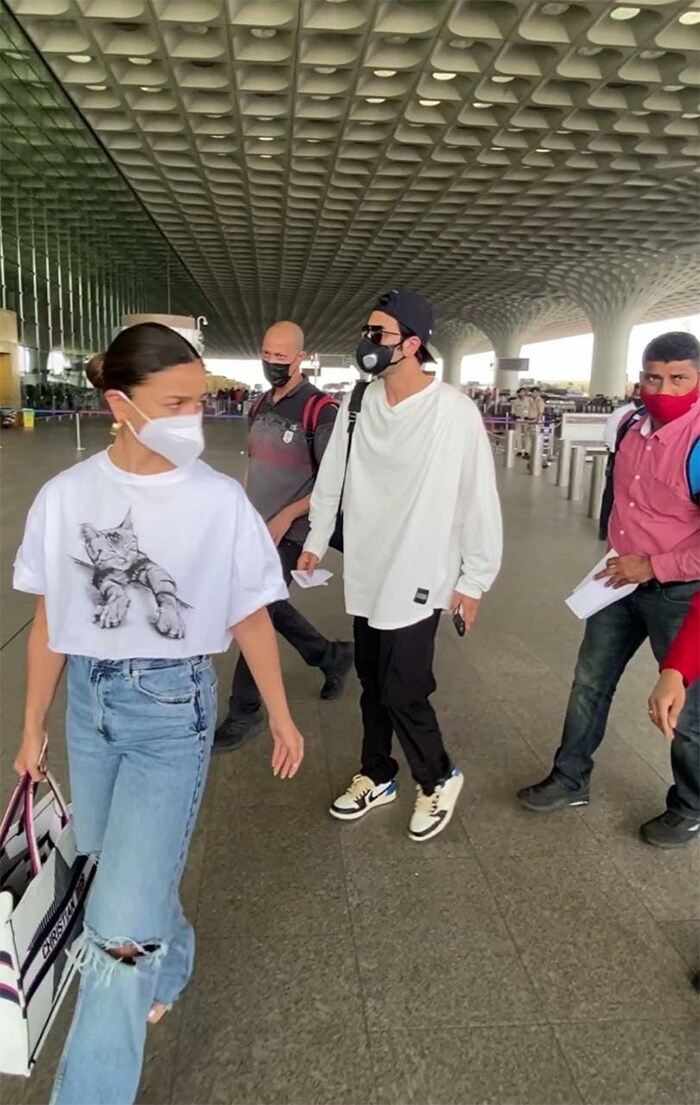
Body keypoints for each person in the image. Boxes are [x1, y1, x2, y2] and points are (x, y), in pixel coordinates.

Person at [12, 322, 304, 1105]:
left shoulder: (218, 500)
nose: (192, 417)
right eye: (173, 401)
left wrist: (279, 712)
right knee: (115, 868)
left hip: (171, 709)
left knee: (114, 935)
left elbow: (248, 614)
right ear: (119, 402)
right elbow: (49, 622)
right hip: (89, 706)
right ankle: (171, 963)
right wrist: (32, 724)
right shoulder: (65, 497)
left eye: (199, 400)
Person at [298, 289, 503, 841]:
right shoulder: (359, 403)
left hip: (421, 570)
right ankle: (377, 773)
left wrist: (474, 580)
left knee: (403, 688)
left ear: (412, 344)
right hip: (369, 564)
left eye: (380, 334)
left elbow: (477, 496)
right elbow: (332, 476)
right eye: (367, 331)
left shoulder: (453, 411)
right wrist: (316, 538)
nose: (368, 343)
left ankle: (438, 777)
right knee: (371, 679)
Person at [518, 331, 700, 849]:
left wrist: (656, 564)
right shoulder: (625, 425)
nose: (663, 388)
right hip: (619, 583)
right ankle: (569, 778)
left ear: (698, 380)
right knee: (589, 684)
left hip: (682, 594)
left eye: (679, 378)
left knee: (686, 710)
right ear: (639, 377)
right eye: (653, 377)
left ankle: (690, 805)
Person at [214, 320, 353, 753]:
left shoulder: (320, 410)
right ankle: (330, 656)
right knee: (268, 606)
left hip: (294, 528)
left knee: (255, 610)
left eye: (282, 355)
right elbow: (255, 465)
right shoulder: (259, 405)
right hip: (257, 525)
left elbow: (332, 482)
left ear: (301, 357)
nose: (273, 362)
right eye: (268, 354)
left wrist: (284, 518)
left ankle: (245, 712)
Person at [599, 383, 643, 540]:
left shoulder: (648, 414)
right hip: (618, 456)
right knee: (611, 492)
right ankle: (604, 527)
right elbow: (610, 435)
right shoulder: (622, 413)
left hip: (638, 460)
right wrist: (616, 454)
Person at [511, 387, 531, 457]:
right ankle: (519, 450)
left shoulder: (528, 400)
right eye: (520, 392)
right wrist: (514, 417)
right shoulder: (515, 401)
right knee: (518, 435)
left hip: (526, 419)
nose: (522, 393)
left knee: (527, 435)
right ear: (518, 393)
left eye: (523, 392)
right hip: (518, 419)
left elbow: (531, 409)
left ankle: (527, 451)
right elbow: (513, 411)